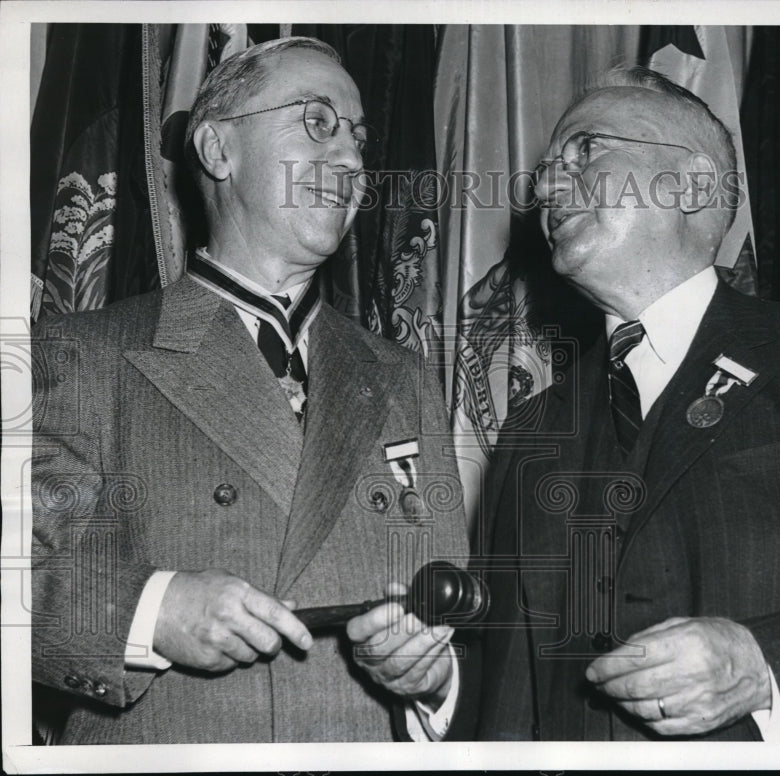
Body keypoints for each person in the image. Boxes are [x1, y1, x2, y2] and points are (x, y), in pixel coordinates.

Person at [474, 66, 780, 741]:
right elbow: (508, 707)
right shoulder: (530, 431)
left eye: (586, 150)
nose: (546, 186)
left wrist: (765, 670)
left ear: (694, 185)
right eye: (547, 168)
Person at [31, 37, 469, 744]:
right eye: (318, 122)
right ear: (217, 150)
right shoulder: (83, 354)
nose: (354, 161)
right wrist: (151, 614)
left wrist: (432, 682)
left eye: (359, 138)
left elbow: (457, 623)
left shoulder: (405, 377)